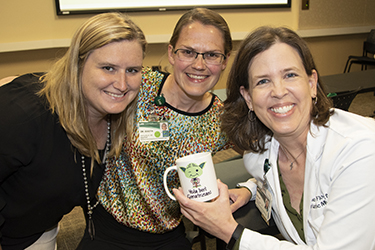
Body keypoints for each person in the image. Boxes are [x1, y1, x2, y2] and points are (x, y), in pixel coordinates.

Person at [173, 26, 375, 249]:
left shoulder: (359, 148)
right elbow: (271, 178)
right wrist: (250, 190)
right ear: (248, 98)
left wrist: (228, 230)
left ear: (311, 83)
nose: (278, 91)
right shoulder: (260, 154)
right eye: (263, 81)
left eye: (290, 75)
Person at [77, 8, 233, 250]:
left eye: (212, 55)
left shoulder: (220, 118)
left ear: (225, 61)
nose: (199, 65)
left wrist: (249, 190)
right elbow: (81, 88)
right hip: (110, 230)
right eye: (188, 52)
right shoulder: (138, 85)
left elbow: (266, 148)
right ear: (171, 53)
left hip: (169, 235)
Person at [0, 12, 146, 250]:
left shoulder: (119, 117)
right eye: (108, 68)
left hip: (38, 232)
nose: (122, 84)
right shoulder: (25, 115)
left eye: (132, 70)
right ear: (77, 65)